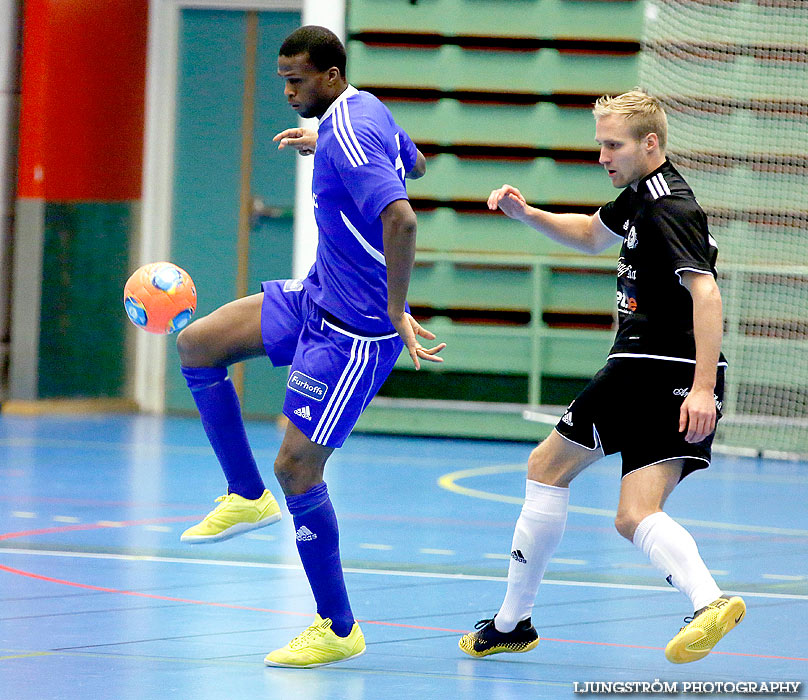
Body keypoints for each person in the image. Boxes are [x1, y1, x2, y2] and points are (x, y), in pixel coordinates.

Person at [176, 25, 444, 668]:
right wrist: (324, 139)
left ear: (329, 77)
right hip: (315, 294)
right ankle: (244, 497)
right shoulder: (365, 108)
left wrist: (397, 308)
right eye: (283, 79)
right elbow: (417, 162)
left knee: (298, 467)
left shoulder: (350, 132)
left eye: (297, 79)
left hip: (354, 330)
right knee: (198, 344)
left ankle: (337, 626)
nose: (289, 90)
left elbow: (401, 215)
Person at [458, 90, 744, 665]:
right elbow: (592, 234)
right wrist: (528, 215)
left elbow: (706, 292)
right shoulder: (641, 196)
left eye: (613, 145)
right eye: (600, 144)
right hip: (670, 374)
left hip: (648, 368)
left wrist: (704, 389)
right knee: (634, 516)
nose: (603, 156)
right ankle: (709, 601)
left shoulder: (669, 207)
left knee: (545, 467)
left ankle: (513, 621)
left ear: (651, 144)